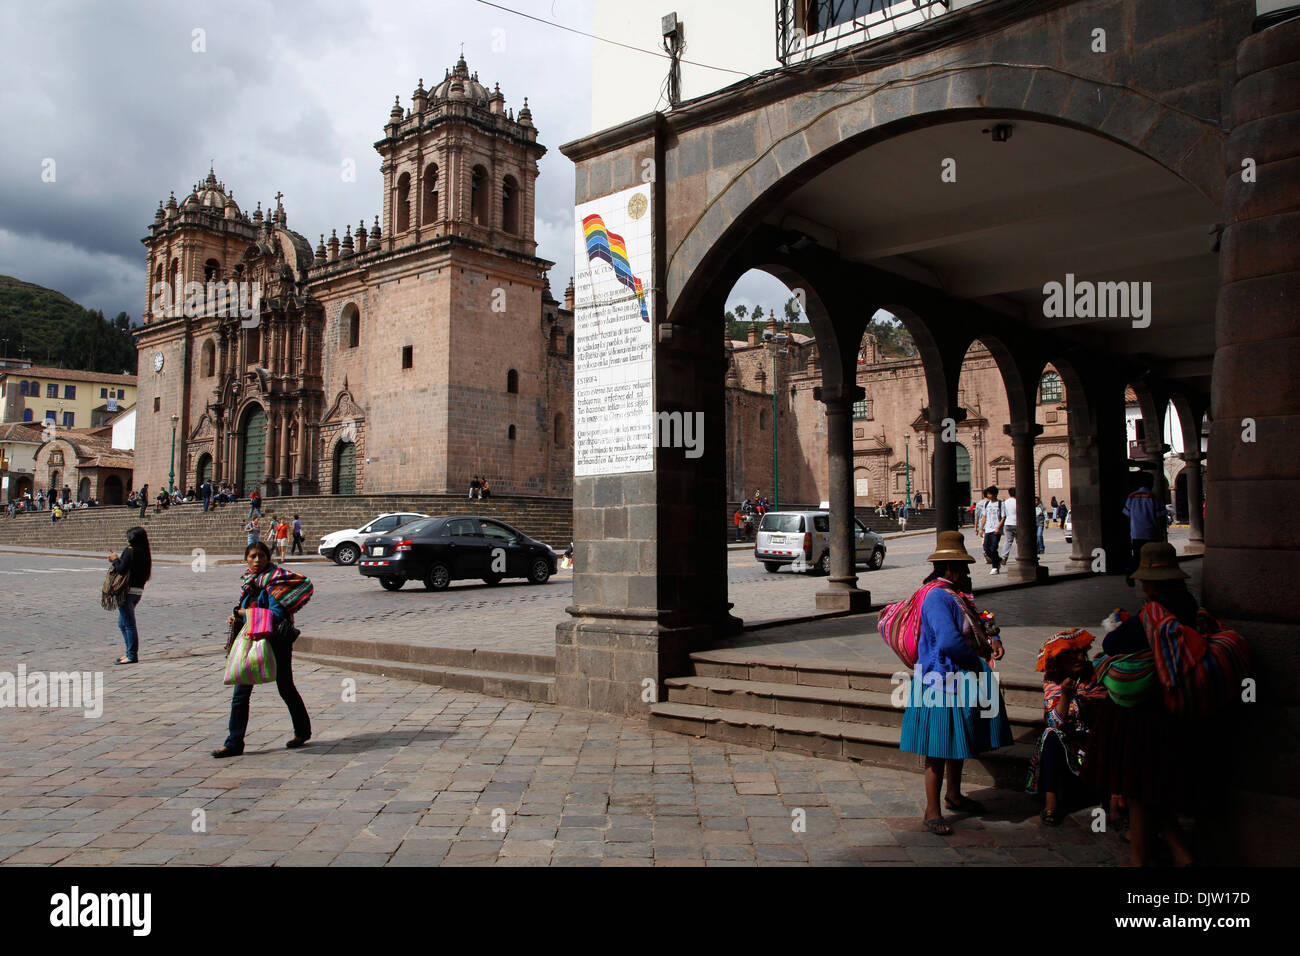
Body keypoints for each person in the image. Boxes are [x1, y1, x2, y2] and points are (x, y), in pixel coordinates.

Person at [1082, 543, 1210, 866]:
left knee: (1138, 787)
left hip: (1148, 710)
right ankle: (1179, 852)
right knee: (1152, 787)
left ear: (1152, 582)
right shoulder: (1188, 605)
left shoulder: (1155, 613)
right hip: (1178, 707)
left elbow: (1112, 642)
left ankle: (1140, 858)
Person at [899, 531, 1011, 835]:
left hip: (957, 677)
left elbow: (981, 618)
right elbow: (948, 641)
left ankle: (955, 795)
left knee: (956, 739)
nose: (966, 572)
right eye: (961, 567)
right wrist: (976, 663)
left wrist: (994, 638)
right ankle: (932, 810)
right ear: (947, 567)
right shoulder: (936, 596)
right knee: (938, 746)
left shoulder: (957, 594)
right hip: (940, 679)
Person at [212, 542, 313, 758]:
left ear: (268, 557)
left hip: (276, 641)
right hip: (252, 639)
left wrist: (243, 614)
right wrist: (238, 615)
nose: (257, 560)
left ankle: (302, 731)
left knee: (285, 686)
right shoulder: (249, 582)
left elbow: (276, 614)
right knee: (241, 691)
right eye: (252, 556)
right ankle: (234, 742)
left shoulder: (273, 583)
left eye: (261, 556)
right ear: (246, 559)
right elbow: (248, 607)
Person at [1026, 628, 1106, 825]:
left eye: (1081, 652)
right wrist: (1065, 696)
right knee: (1051, 734)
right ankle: (1050, 804)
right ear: (1059, 661)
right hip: (1069, 744)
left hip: (1092, 741)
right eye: (1071, 655)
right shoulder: (1052, 681)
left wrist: (1093, 703)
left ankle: (1112, 805)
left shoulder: (1093, 675)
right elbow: (1055, 721)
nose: (1079, 658)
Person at [107, 526, 151, 665]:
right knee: (122, 623)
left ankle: (131, 655)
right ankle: (128, 652)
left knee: (129, 624)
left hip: (126, 591)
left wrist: (115, 559)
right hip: (138, 591)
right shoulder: (145, 552)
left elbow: (121, 570)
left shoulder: (130, 551)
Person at [1122, 471, 1166, 586]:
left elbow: (1127, 514)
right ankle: (1150, 578)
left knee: (1137, 555)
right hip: (1151, 533)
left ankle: (1130, 573)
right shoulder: (1154, 497)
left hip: (1137, 533)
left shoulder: (1131, 497)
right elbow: (1160, 517)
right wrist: (1161, 533)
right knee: (1151, 556)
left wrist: (1133, 525)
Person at [977, 486, 1003, 574]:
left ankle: (995, 567)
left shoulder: (1000, 504)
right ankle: (998, 559)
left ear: (995, 494)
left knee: (993, 548)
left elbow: (1003, 517)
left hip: (996, 530)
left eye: (989, 493)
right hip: (987, 529)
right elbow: (984, 516)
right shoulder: (986, 504)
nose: (988, 495)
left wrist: (998, 527)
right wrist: (981, 528)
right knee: (986, 549)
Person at [1000, 486, 1018, 564]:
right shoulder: (1018, 501)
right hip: (1017, 523)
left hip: (1008, 523)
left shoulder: (1005, 502)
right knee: (1019, 542)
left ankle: (1004, 557)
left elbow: (1003, 514)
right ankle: (1020, 556)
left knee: (1008, 541)